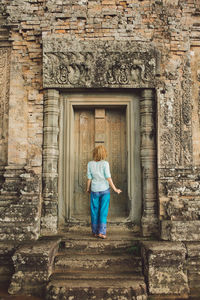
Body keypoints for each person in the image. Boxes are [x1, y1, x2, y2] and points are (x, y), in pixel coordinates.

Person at [86, 145, 122, 239]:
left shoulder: (90, 164)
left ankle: (94, 232)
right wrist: (115, 189)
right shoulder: (105, 164)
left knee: (94, 211)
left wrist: (87, 188)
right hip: (104, 190)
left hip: (94, 190)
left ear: (94, 153)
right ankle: (101, 232)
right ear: (104, 153)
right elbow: (108, 177)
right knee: (103, 211)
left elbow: (89, 178)